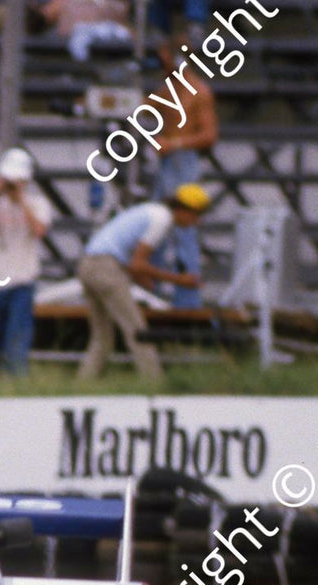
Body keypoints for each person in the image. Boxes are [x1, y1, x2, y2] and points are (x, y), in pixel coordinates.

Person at [76, 183, 210, 381]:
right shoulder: (162, 220)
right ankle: (154, 383)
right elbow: (137, 264)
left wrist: (144, 277)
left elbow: (132, 262)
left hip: (88, 263)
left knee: (102, 336)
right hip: (106, 267)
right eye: (195, 215)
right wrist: (179, 280)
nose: (195, 222)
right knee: (138, 332)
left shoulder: (151, 210)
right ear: (183, 210)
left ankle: (83, 384)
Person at [0, 148, 52, 375]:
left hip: (22, 280)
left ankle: (16, 380)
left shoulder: (37, 203)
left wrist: (21, 200)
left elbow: (39, 230)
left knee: (17, 338)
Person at [150, 53, 217, 309]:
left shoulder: (199, 91)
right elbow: (142, 106)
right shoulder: (168, 88)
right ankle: (152, 295)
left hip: (184, 162)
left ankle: (188, 302)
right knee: (157, 224)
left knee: (184, 231)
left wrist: (175, 143)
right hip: (166, 163)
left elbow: (210, 135)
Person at [41, 0, 132, 61]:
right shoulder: (62, 2)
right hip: (65, 55)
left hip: (111, 56)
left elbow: (128, 30)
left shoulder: (116, 5)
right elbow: (42, 18)